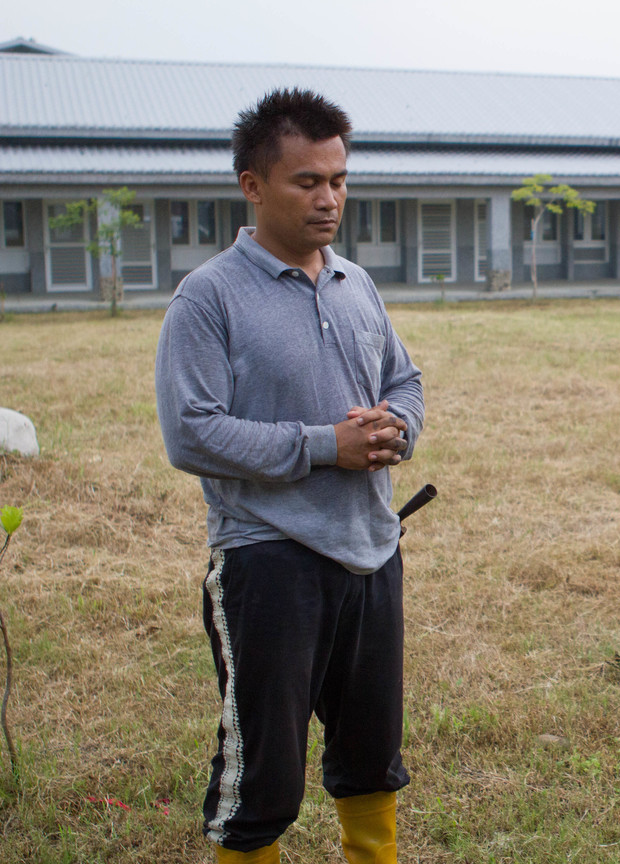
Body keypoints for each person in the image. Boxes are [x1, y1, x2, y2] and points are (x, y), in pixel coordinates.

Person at [155, 88, 424, 864]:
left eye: (338, 179)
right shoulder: (208, 299)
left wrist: (395, 429)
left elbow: (405, 380)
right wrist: (323, 445)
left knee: (372, 754)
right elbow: (192, 432)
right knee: (266, 776)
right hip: (267, 558)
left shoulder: (356, 285)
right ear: (252, 184)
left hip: (371, 549)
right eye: (307, 181)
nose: (329, 198)